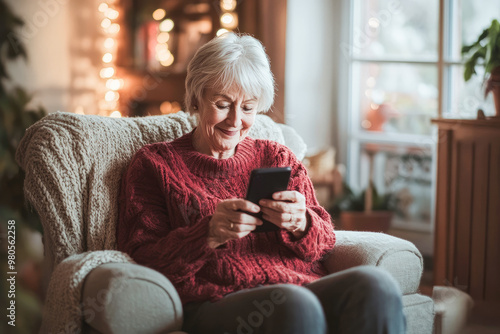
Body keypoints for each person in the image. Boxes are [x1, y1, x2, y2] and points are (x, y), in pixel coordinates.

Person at [117, 33, 405, 334]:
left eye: (248, 108)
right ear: (196, 98)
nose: (235, 120)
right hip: (215, 300)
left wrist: (301, 224)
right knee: (294, 304)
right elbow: (144, 260)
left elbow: (324, 242)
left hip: (297, 287)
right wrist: (208, 234)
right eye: (223, 104)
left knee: (377, 284)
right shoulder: (155, 165)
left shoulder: (277, 156)